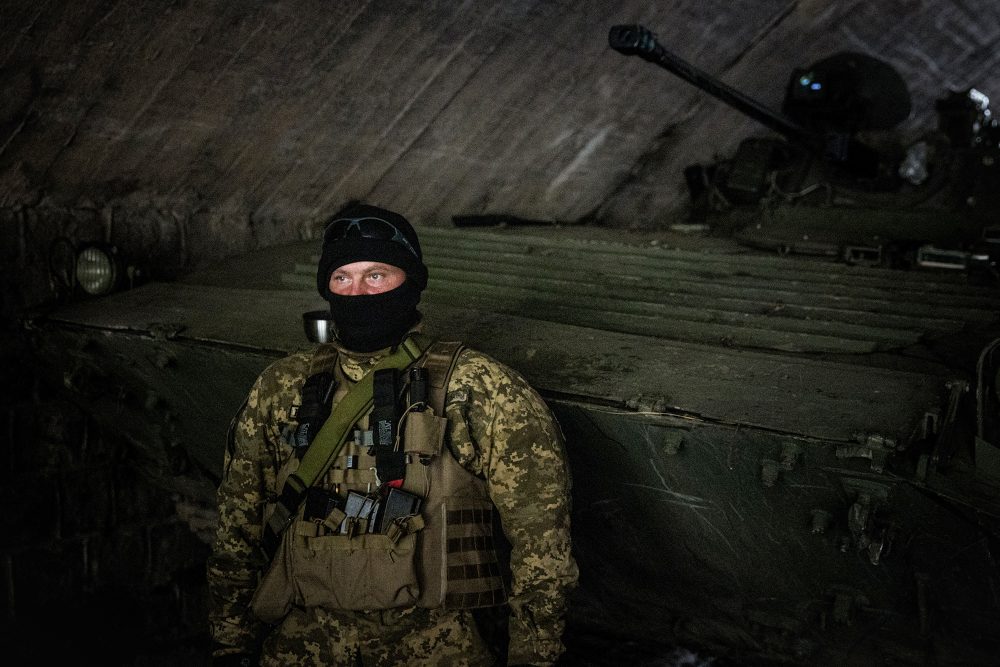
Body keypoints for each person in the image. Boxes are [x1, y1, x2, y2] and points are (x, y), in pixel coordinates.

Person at [207, 203, 578, 666]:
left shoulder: (481, 388)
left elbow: (542, 547)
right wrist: (231, 645)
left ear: (411, 283)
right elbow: (236, 528)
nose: (358, 292)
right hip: (304, 645)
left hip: (440, 648)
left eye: (377, 275)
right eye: (342, 278)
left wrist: (534, 656)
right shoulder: (282, 387)